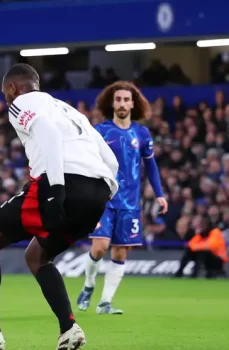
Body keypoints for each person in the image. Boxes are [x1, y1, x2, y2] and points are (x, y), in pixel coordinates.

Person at [0, 64, 119, 350]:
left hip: (62, 183)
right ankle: (69, 329)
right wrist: (101, 199)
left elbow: (49, 136)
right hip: (97, 192)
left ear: (12, 88)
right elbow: (111, 161)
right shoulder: (69, 110)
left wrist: (56, 189)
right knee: (37, 256)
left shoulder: (20, 103)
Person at [76, 81, 167, 315]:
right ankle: (88, 285)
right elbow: (86, 161)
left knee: (119, 252)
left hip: (130, 203)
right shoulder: (101, 131)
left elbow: (151, 165)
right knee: (100, 247)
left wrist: (159, 194)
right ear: (112, 103)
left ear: (133, 104)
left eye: (126, 100)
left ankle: (105, 302)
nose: (122, 103)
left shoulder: (142, 133)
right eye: (118, 99)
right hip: (104, 199)